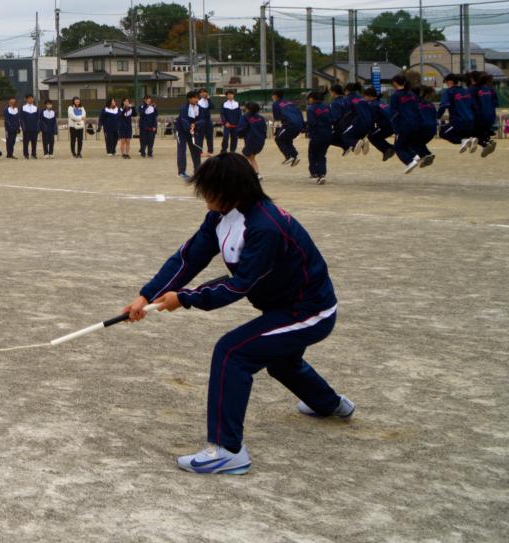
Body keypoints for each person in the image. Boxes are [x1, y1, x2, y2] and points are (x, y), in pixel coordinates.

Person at [123, 153, 351, 475]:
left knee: (233, 352)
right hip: (282, 308)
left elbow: (240, 285)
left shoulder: (265, 227)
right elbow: (189, 258)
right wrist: (146, 295)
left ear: (232, 190)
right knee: (281, 362)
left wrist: (184, 299)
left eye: (209, 191)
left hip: (310, 310)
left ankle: (227, 451)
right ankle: (332, 404)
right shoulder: (220, 215)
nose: (204, 199)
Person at [389, 74, 424, 173]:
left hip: (404, 125)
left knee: (397, 147)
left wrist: (396, 130)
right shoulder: (411, 94)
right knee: (404, 143)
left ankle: (409, 161)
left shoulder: (395, 96)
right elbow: (418, 109)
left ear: (395, 83)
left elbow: (394, 115)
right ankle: (415, 156)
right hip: (415, 123)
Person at [437, 73, 476, 152]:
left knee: (442, 133)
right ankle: (469, 139)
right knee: (462, 133)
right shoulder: (466, 91)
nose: (446, 85)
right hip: (471, 122)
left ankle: (463, 141)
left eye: (446, 82)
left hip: (458, 122)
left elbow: (443, 106)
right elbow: (474, 106)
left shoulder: (449, 92)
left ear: (450, 82)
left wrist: (437, 116)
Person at [270, 89, 302, 166]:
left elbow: (277, 117)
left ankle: (289, 156)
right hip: (299, 124)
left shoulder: (276, 104)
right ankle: (294, 156)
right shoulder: (290, 102)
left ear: (275, 96)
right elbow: (299, 112)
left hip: (289, 124)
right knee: (286, 139)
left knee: (278, 139)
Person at [305, 92, 331, 184]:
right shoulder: (327, 106)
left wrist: (308, 131)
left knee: (312, 154)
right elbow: (331, 119)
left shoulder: (311, 108)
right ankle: (322, 174)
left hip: (316, 134)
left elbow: (311, 123)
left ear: (311, 98)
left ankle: (314, 173)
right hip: (327, 134)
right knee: (321, 155)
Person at [363, 87, 395, 161]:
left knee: (372, 136)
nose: (364, 98)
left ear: (369, 96)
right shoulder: (381, 102)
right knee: (376, 135)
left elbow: (371, 120)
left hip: (387, 126)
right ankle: (388, 149)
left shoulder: (372, 105)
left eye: (365, 96)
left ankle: (388, 149)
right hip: (394, 124)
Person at [236, 102, 267, 176]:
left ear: (248, 109)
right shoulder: (260, 117)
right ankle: (256, 173)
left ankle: (245, 174)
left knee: (242, 158)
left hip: (251, 141)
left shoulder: (245, 117)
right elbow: (264, 129)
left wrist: (240, 135)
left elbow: (241, 128)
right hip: (260, 141)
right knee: (251, 157)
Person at [175, 91, 201, 180]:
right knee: (182, 150)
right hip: (181, 131)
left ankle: (197, 171)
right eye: (195, 98)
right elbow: (183, 120)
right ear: (189, 99)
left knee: (195, 150)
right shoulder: (184, 108)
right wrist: (190, 127)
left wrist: (195, 124)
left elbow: (202, 119)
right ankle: (181, 172)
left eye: (197, 97)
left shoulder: (199, 107)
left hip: (192, 130)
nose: (197, 99)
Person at [472, 72, 498, 157]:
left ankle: (485, 144)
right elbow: (496, 103)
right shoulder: (491, 89)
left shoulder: (474, 89)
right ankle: (489, 141)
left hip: (480, 116)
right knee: (482, 132)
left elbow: (472, 104)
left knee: (471, 131)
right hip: (491, 116)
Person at [414, 86, 438, 169]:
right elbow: (435, 115)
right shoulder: (430, 104)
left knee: (410, 142)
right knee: (419, 142)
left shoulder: (414, 103)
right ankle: (427, 155)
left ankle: (422, 156)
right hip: (432, 129)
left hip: (422, 128)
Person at [195, 89, 215, 154]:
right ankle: (199, 151)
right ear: (199, 94)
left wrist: (208, 99)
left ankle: (210, 151)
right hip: (200, 121)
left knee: (209, 137)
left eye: (205, 92)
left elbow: (212, 107)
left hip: (208, 121)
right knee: (200, 137)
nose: (203, 93)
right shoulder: (197, 102)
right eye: (201, 92)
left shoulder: (208, 101)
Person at [20, 95, 40, 159]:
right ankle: (26, 154)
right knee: (26, 142)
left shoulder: (36, 108)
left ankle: (33, 154)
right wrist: (23, 127)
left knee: (34, 142)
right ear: (26, 99)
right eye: (29, 98)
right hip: (26, 128)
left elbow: (38, 119)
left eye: (32, 98)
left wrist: (38, 127)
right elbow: (21, 118)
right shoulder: (23, 107)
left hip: (34, 128)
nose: (31, 99)